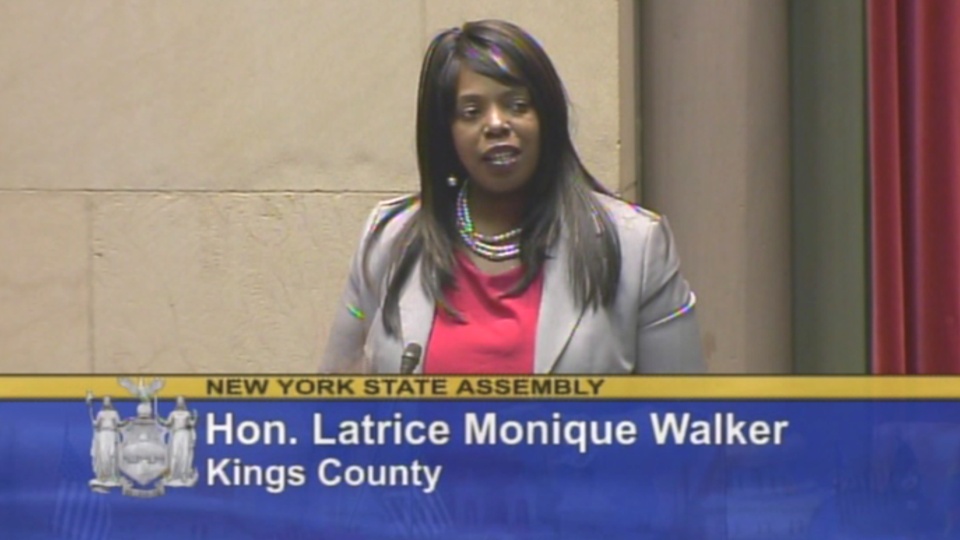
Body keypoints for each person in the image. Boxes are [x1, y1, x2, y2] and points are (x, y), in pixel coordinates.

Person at [322, 20, 704, 374]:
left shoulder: (636, 246)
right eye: (471, 112)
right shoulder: (388, 240)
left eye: (517, 106)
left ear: (547, 118)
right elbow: (334, 402)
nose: (496, 124)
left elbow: (682, 415)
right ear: (446, 133)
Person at [160, 396, 198, 487]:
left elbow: (191, 424)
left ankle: (183, 475)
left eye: (181, 401)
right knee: (174, 454)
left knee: (184, 454)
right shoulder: (173, 413)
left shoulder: (187, 414)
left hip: (185, 434)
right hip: (176, 434)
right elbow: (168, 423)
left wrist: (195, 417)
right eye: (178, 401)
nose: (180, 403)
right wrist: (160, 419)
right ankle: (171, 475)